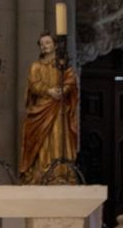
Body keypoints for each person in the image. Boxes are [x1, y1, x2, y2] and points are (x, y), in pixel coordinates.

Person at [19, 31, 79, 184]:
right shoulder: (36, 66)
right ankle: (42, 174)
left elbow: (70, 79)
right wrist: (48, 91)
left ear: (55, 45)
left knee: (59, 137)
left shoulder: (62, 65)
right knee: (42, 141)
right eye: (42, 44)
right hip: (42, 108)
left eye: (48, 43)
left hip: (58, 108)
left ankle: (60, 173)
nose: (44, 46)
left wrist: (63, 89)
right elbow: (34, 84)